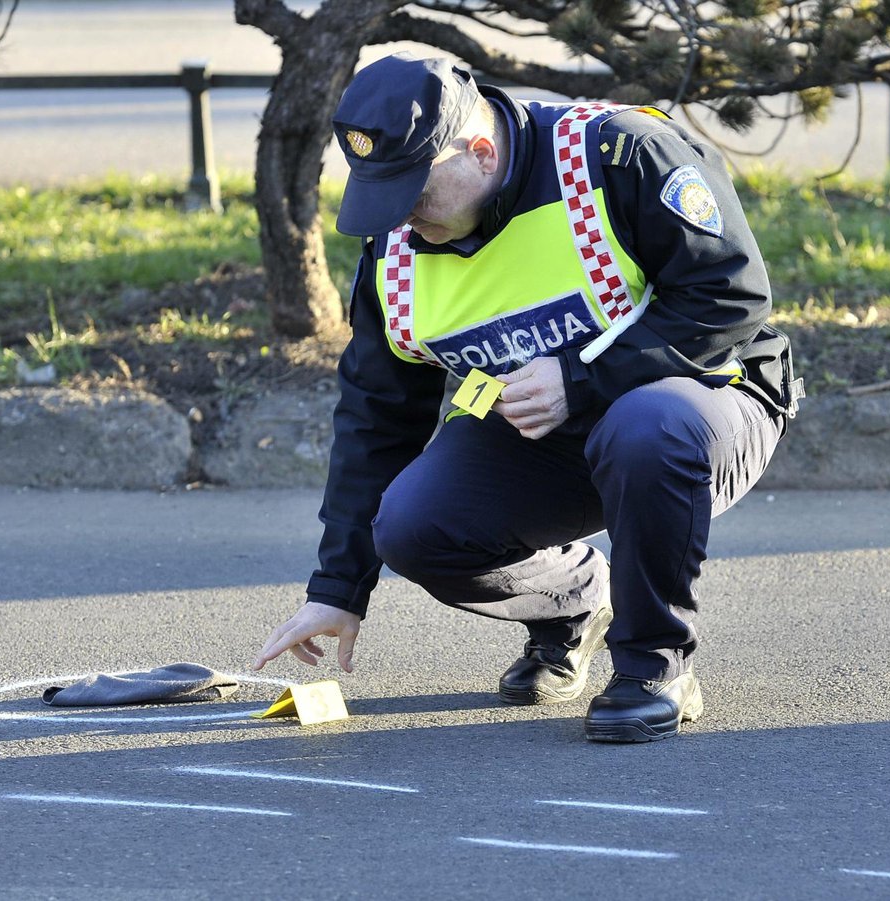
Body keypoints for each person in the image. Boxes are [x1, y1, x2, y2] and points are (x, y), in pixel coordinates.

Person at [254, 53, 803, 742]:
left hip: (709, 402)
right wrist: (338, 588)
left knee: (643, 426)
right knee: (412, 524)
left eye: (415, 193)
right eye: (383, 193)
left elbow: (732, 296)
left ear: (481, 153)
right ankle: (575, 602)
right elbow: (375, 419)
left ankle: (653, 665)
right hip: (547, 435)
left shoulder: (616, 155)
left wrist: (581, 378)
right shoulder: (395, 251)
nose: (403, 218)